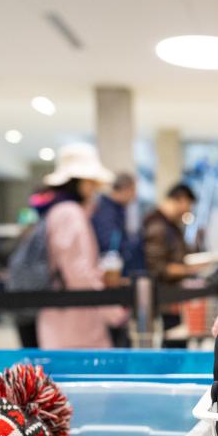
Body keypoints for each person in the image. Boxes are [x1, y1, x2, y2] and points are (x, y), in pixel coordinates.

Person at [36, 143, 127, 349]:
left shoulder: (59, 211)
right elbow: (78, 273)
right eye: (91, 183)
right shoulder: (70, 214)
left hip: (64, 317)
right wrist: (112, 312)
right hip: (73, 323)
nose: (94, 189)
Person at [143, 182, 198, 347]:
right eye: (189, 205)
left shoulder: (170, 225)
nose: (189, 211)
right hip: (163, 300)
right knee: (172, 347)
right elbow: (158, 268)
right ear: (180, 200)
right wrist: (189, 269)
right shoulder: (158, 226)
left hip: (171, 299)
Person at [90, 171, 139, 347]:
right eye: (133, 190)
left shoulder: (116, 210)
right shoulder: (106, 211)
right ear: (126, 189)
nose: (135, 196)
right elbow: (109, 246)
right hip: (108, 277)